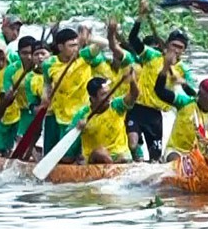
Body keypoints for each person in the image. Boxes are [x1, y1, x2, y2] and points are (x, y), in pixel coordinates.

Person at [126, 13, 196, 162]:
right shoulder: (151, 55)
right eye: (174, 46)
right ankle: (134, 161)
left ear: (184, 50)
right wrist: (140, 18)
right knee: (132, 143)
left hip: (156, 115)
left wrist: (182, 82)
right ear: (166, 44)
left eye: (180, 48)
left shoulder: (183, 69)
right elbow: (132, 40)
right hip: (137, 108)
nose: (176, 50)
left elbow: (195, 94)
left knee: (155, 160)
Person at [41, 27, 103, 163]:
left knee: (84, 154)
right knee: (67, 158)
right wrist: (44, 97)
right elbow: (46, 83)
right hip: (62, 115)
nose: (75, 49)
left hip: (84, 113)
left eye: (76, 45)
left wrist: (88, 39)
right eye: (71, 46)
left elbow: (104, 44)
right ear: (60, 47)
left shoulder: (84, 56)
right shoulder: (49, 64)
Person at [154, 50, 208, 162]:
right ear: (201, 93)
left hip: (198, 154)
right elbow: (159, 91)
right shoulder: (184, 102)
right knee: (176, 160)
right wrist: (165, 67)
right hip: (176, 150)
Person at [72, 69, 140, 165]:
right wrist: (77, 128)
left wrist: (132, 80)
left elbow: (134, 95)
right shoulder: (82, 114)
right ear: (93, 99)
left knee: (123, 157)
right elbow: (69, 133)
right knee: (101, 152)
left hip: (119, 155)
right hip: (94, 158)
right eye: (104, 94)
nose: (109, 97)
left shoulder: (117, 106)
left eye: (109, 92)